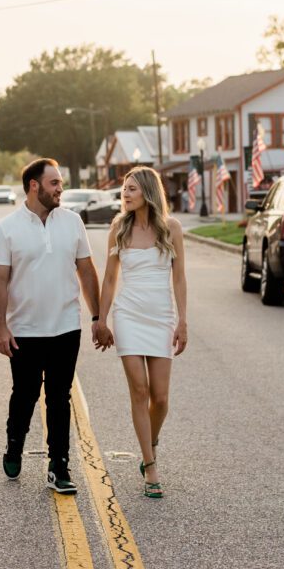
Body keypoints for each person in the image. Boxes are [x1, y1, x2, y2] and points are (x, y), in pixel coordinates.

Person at [0, 158, 107, 495]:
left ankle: (59, 466)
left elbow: (86, 270)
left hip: (66, 327)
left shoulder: (72, 222)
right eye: (54, 183)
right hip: (24, 329)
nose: (60, 189)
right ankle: (14, 445)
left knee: (58, 398)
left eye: (60, 182)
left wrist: (97, 317)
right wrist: (0, 328)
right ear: (34, 186)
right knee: (24, 396)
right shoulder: (6, 228)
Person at [94, 166, 188, 499]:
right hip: (129, 315)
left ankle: (152, 439)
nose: (125, 193)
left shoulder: (171, 228)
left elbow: (179, 278)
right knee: (140, 390)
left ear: (147, 191)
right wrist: (101, 319)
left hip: (161, 316)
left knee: (161, 398)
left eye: (131, 188)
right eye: (124, 188)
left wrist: (183, 320)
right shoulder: (119, 228)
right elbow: (109, 278)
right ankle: (150, 467)